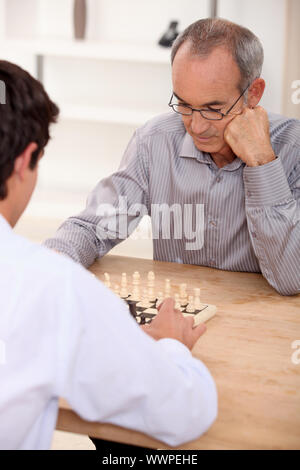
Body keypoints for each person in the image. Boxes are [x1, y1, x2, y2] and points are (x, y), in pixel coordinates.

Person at [0, 60, 217, 450]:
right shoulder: (49, 287)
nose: (197, 124)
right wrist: (171, 346)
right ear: (24, 160)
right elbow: (185, 410)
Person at [44, 18, 300, 296]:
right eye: (184, 105)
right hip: (178, 320)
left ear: (253, 93)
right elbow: (94, 227)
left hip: (263, 325)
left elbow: (291, 278)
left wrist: (262, 162)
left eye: (214, 109)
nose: (197, 127)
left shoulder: (293, 148)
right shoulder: (154, 141)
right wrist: (47, 265)